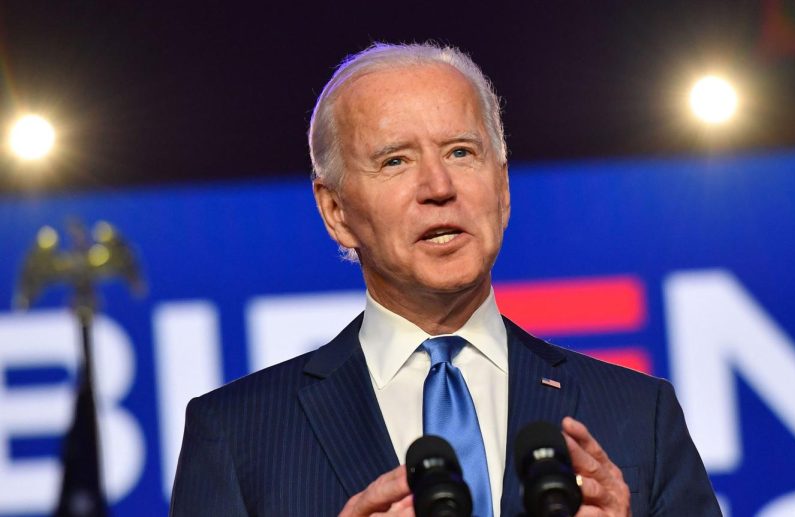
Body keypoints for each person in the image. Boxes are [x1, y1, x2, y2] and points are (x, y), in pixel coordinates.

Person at [170, 42, 721, 517]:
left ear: (502, 189)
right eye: (395, 162)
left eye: (461, 152)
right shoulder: (237, 436)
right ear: (335, 210)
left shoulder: (636, 415)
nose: (438, 186)